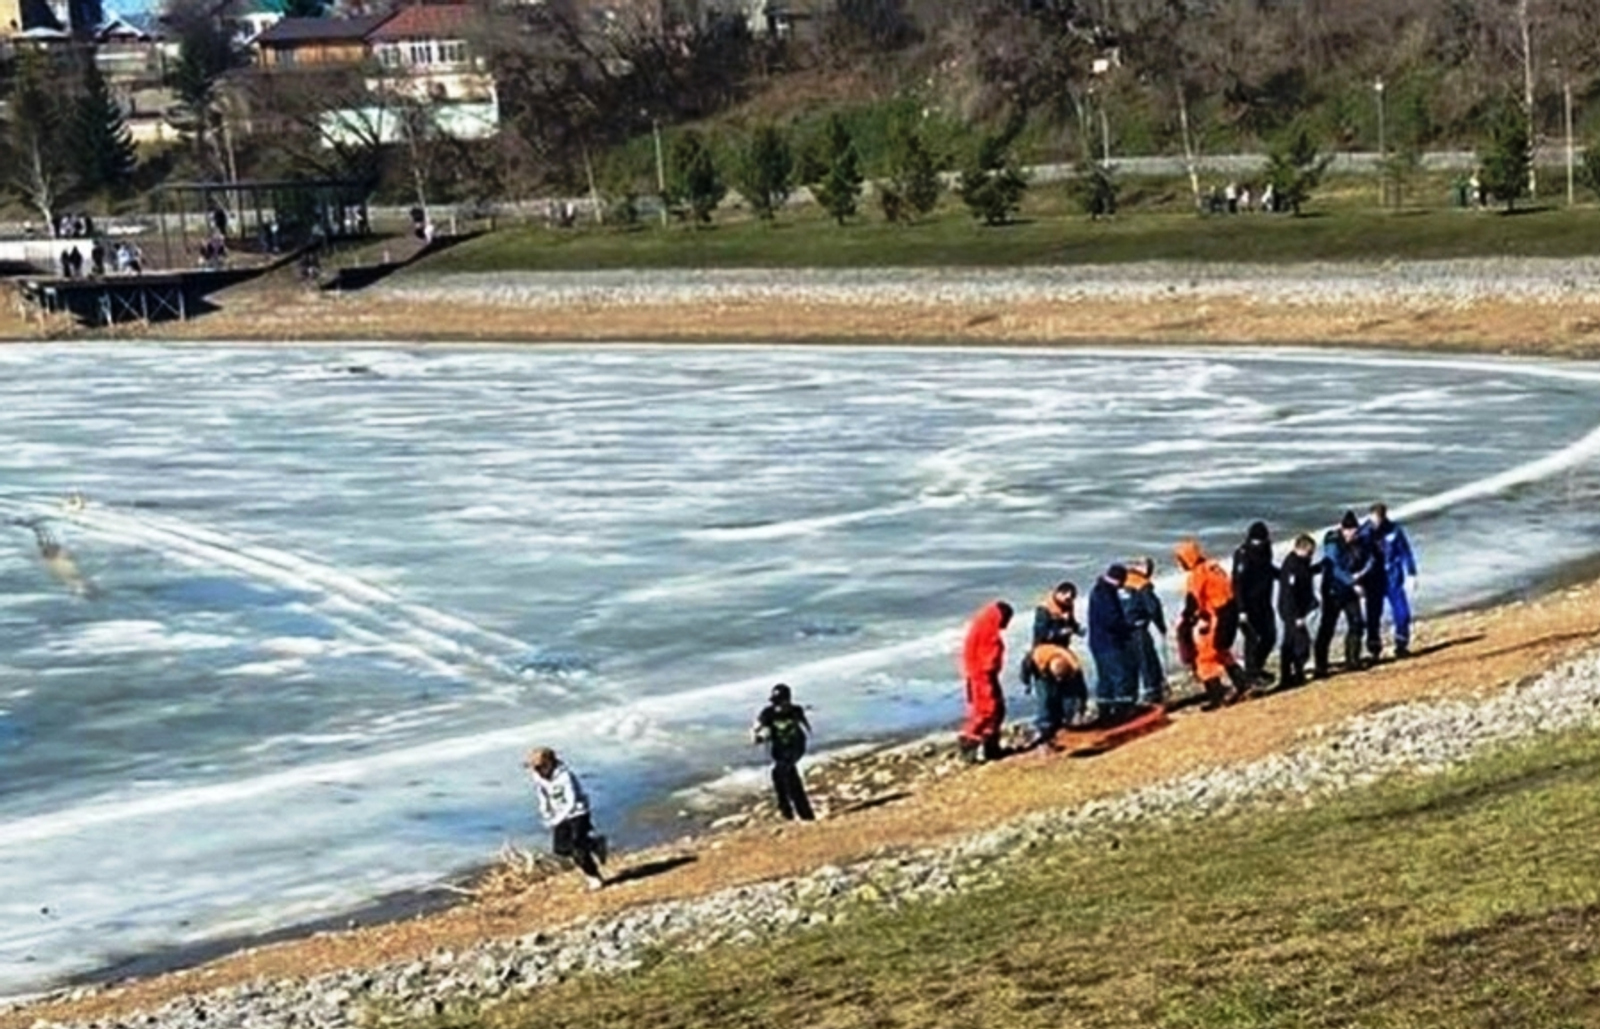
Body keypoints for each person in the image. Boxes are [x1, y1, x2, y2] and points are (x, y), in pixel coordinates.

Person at [1173, 539, 1249, 709]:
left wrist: (1185, 623)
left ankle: (1217, 697)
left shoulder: (1197, 575)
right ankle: (1244, 685)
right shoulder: (1214, 566)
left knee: (1204, 659)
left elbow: (1192, 603)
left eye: (1180, 560)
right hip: (1230, 613)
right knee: (1222, 652)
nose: (1180, 564)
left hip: (1217, 617)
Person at [524, 747, 607, 890]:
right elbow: (542, 793)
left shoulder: (565, 776)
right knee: (561, 849)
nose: (537, 771)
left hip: (577, 813)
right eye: (534, 768)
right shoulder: (538, 777)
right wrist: (545, 810)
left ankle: (593, 877)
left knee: (577, 849)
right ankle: (595, 844)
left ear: (550, 763)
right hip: (559, 815)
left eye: (540, 767)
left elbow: (571, 800)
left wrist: (558, 819)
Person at [1314, 510, 1376, 677]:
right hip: (1333, 589)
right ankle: (1321, 666)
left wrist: (1361, 573)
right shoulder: (1332, 541)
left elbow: (1370, 558)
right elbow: (1334, 567)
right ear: (1342, 529)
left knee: (1357, 623)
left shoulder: (1360, 541)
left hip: (1350, 588)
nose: (1351, 535)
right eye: (1349, 532)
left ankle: (1353, 659)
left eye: (1354, 532)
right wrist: (1353, 582)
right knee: (1327, 627)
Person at [1021, 582, 1085, 742]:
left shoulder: (1068, 606)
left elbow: (1071, 623)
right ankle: (1045, 728)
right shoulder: (1044, 611)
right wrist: (1059, 632)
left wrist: (1077, 629)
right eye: (1067, 597)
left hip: (1061, 653)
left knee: (1068, 690)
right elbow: (1041, 634)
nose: (1069, 601)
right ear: (1058, 593)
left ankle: (1065, 720)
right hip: (1045, 654)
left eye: (1071, 599)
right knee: (1046, 695)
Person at [959, 600, 1013, 763]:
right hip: (982, 676)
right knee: (986, 711)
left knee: (997, 710)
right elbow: (988, 657)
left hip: (981, 674)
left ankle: (991, 747)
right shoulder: (988, 631)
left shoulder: (983, 625)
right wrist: (990, 668)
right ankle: (969, 744)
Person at [752, 683, 815, 821]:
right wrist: (758, 736)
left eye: (780, 702)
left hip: (795, 747)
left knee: (785, 772)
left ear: (788, 700)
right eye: (775, 702)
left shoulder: (795, 711)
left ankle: (799, 813)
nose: (778, 706)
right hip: (779, 751)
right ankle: (792, 812)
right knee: (780, 775)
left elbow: (805, 726)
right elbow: (757, 727)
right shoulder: (768, 713)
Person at [1365, 502, 1419, 658]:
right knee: (1373, 615)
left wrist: (1411, 573)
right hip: (1373, 579)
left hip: (1392, 578)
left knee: (1402, 613)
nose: (1377, 523)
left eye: (1379, 519)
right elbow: (1356, 555)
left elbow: (1405, 551)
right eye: (1374, 519)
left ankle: (1401, 644)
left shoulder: (1395, 530)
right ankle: (1374, 648)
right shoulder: (1364, 532)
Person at [1088, 564, 1138, 722]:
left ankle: (1105, 711)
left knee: (1105, 678)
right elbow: (1111, 620)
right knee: (1120, 676)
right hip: (1109, 642)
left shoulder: (1099, 590)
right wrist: (1128, 627)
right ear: (1119, 580)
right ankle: (1122, 712)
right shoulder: (1105, 593)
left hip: (1098, 642)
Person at [1231, 521, 1278, 684]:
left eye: (1262, 541)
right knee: (1252, 639)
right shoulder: (1243, 554)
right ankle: (1251, 674)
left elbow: (1268, 568)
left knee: (1270, 637)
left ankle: (1256, 667)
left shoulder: (1266, 550)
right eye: (1256, 541)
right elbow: (1237, 583)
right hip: (1247, 605)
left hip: (1264, 601)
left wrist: (1281, 575)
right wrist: (1241, 609)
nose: (1258, 544)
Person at [1121, 557, 1167, 705]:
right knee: (1148, 662)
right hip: (1137, 629)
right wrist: (1161, 626)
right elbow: (1153, 607)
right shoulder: (1142, 584)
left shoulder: (1119, 583)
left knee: (1128, 666)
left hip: (1120, 632)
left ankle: (1128, 698)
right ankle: (1153, 693)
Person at [1276, 534, 1319, 689]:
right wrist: (1297, 616)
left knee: (1296, 642)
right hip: (1291, 611)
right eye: (1309, 552)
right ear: (1299, 549)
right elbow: (1289, 594)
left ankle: (1294, 673)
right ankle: (1289, 675)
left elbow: (1306, 576)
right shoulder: (1292, 566)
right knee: (1296, 642)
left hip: (1300, 609)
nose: (1311, 555)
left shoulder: (1303, 562)